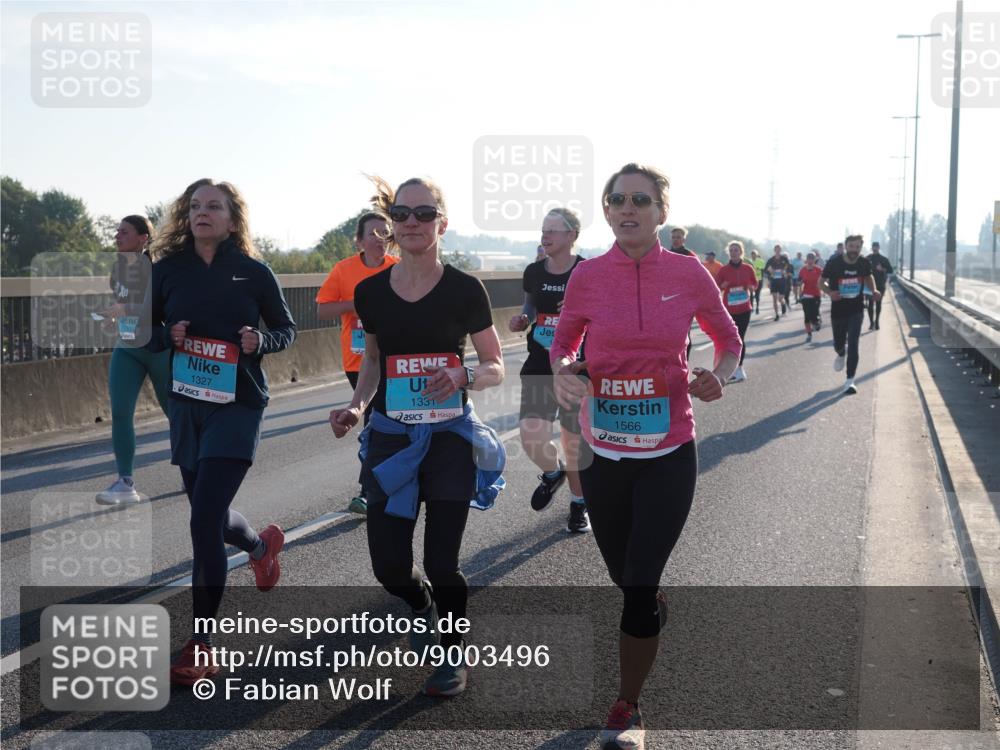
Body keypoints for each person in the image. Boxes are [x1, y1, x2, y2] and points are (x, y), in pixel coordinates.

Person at [551, 163, 742, 750]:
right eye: (617, 200)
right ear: (606, 211)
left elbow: (728, 341)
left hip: (668, 452)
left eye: (641, 199)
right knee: (621, 575)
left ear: (662, 211)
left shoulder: (687, 274)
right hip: (603, 452)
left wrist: (718, 376)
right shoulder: (587, 277)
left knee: (636, 584)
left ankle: (628, 707)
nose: (627, 208)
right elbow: (563, 344)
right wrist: (563, 374)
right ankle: (647, 596)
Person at [329, 176, 505, 697]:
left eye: (423, 214)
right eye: (401, 214)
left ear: (441, 224)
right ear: (390, 226)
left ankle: (451, 655)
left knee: (442, 561)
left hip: (449, 437)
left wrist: (464, 375)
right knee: (389, 567)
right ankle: (420, 604)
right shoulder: (369, 292)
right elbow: (374, 363)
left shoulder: (464, 289)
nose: (410, 222)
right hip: (390, 438)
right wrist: (356, 406)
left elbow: (496, 364)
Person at [149, 178, 296, 685]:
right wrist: (164, 335)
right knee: (204, 510)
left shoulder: (253, 272)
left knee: (204, 517)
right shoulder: (166, 270)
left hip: (238, 404)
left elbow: (286, 328)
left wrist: (261, 340)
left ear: (233, 219)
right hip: (187, 405)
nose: (202, 213)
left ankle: (202, 642)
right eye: (195, 206)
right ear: (185, 216)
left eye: (214, 206)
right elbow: (137, 329)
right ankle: (260, 547)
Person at [508, 207, 589, 533]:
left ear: (571, 235)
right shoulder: (533, 271)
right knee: (530, 434)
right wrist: (523, 318)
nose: (546, 235)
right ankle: (553, 473)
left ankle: (578, 506)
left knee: (573, 441)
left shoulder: (587, 270)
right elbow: (531, 304)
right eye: (544, 229)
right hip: (541, 361)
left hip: (574, 366)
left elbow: (604, 315)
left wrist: (577, 310)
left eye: (554, 230)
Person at [316, 213, 399, 514]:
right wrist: (361, 302)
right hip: (358, 359)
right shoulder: (344, 270)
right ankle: (373, 488)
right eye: (373, 233)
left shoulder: (398, 269)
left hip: (390, 358)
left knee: (379, 421)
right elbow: (323, 310)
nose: (379, 238)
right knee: (375, 422)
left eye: (385, 233)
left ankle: (372, 488)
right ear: (360, 240)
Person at [95, 215, 171, 505]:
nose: (117, 236)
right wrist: (113, 320)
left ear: (143, 239)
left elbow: (159, 308)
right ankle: (125, 482)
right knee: (121, 412)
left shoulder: (156, 269)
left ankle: (197, 467)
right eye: (116, 231)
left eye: (124, 232)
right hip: (127, 347)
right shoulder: (117, 271)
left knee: (175, 413)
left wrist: (124, 308)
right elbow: (125, 308)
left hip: (157, 349)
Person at [821, 234, 879, 394]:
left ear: (861, 247)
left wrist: (873, 290)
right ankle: (840, 353)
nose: (854, 250)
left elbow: (869, 277)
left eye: (858, 247)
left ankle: (850, 380)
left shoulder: (864, 262)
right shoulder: (834, 263)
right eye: (852, 246)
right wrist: (830, 292)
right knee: (838, 344)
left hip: (856, 309)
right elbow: (821, 282)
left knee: (853, 342)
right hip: (838, 309)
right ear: (846, 246)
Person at [715, 240, 757, 382]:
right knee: (730, 339)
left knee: (740, 338)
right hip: (729, 309)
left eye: (736, 250)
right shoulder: (724, 270)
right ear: (729, 252)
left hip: (745, 308)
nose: (734, 252)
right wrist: (723, 285)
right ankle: (730, 369)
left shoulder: (748, 268)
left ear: (741, 252)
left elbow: (754, 283)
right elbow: (715, 288)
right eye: (731, 250)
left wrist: (751, 286)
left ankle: (739, 368)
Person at [668, 227, 696, 360]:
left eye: (678, 237)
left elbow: (698, 277)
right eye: (673, 237)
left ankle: (685, 362)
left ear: (684, 239)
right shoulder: (664, 254)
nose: (675, 240)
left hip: (685, 301)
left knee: (684, 334)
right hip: (666, 300)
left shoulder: (690, 256)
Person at [866, 241, 893, 330]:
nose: (875, 248)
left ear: (879, 248)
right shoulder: (867, 258)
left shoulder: (883, 259)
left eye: (876, 247)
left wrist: (882, 269)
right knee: (870, 304)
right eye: (874, 247)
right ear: (871, 248)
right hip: (869, 284)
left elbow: (890, 270)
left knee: (878, 303)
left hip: (880, 284)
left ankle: (877, 321)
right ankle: (871, 322)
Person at [798, 252, 823, 342]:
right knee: (807, 315)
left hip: (816, 294)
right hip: (806, 295)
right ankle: (809, 334)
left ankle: (817, 320)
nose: (810, 260)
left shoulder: (819, 270)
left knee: (814, 313)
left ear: (814, 259)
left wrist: (825, 289)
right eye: (809, 258)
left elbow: (824, 280)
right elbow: (799, 283)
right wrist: (799, 293)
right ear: (806, 259)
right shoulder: (803, 270)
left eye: (812, 258)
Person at [763, 245, 791, 320]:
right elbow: (765, 270)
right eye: (776, 249)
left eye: (779, 249)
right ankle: (776, 315)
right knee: (774, 298)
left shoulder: (784, 259)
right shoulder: (771, 260)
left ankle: (783, 304)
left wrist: (784, 271)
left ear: (780, 250)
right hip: (774, 281)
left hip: (782, 280)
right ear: (774, 250)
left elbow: (789, 268)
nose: (778, 251)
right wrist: (771, 271)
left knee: (780, 298)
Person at [750, 249, 766, 314]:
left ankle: (757, 307)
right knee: (750, 294)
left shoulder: (761, 261)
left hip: (759, 280)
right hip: (751, 280)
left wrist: (759, 269)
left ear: (757, 255)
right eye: (752, 254)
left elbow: (763, 270)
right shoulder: (749, 261)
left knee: (757, 295)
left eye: (754, 254)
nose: (753, 256)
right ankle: (751, 307)